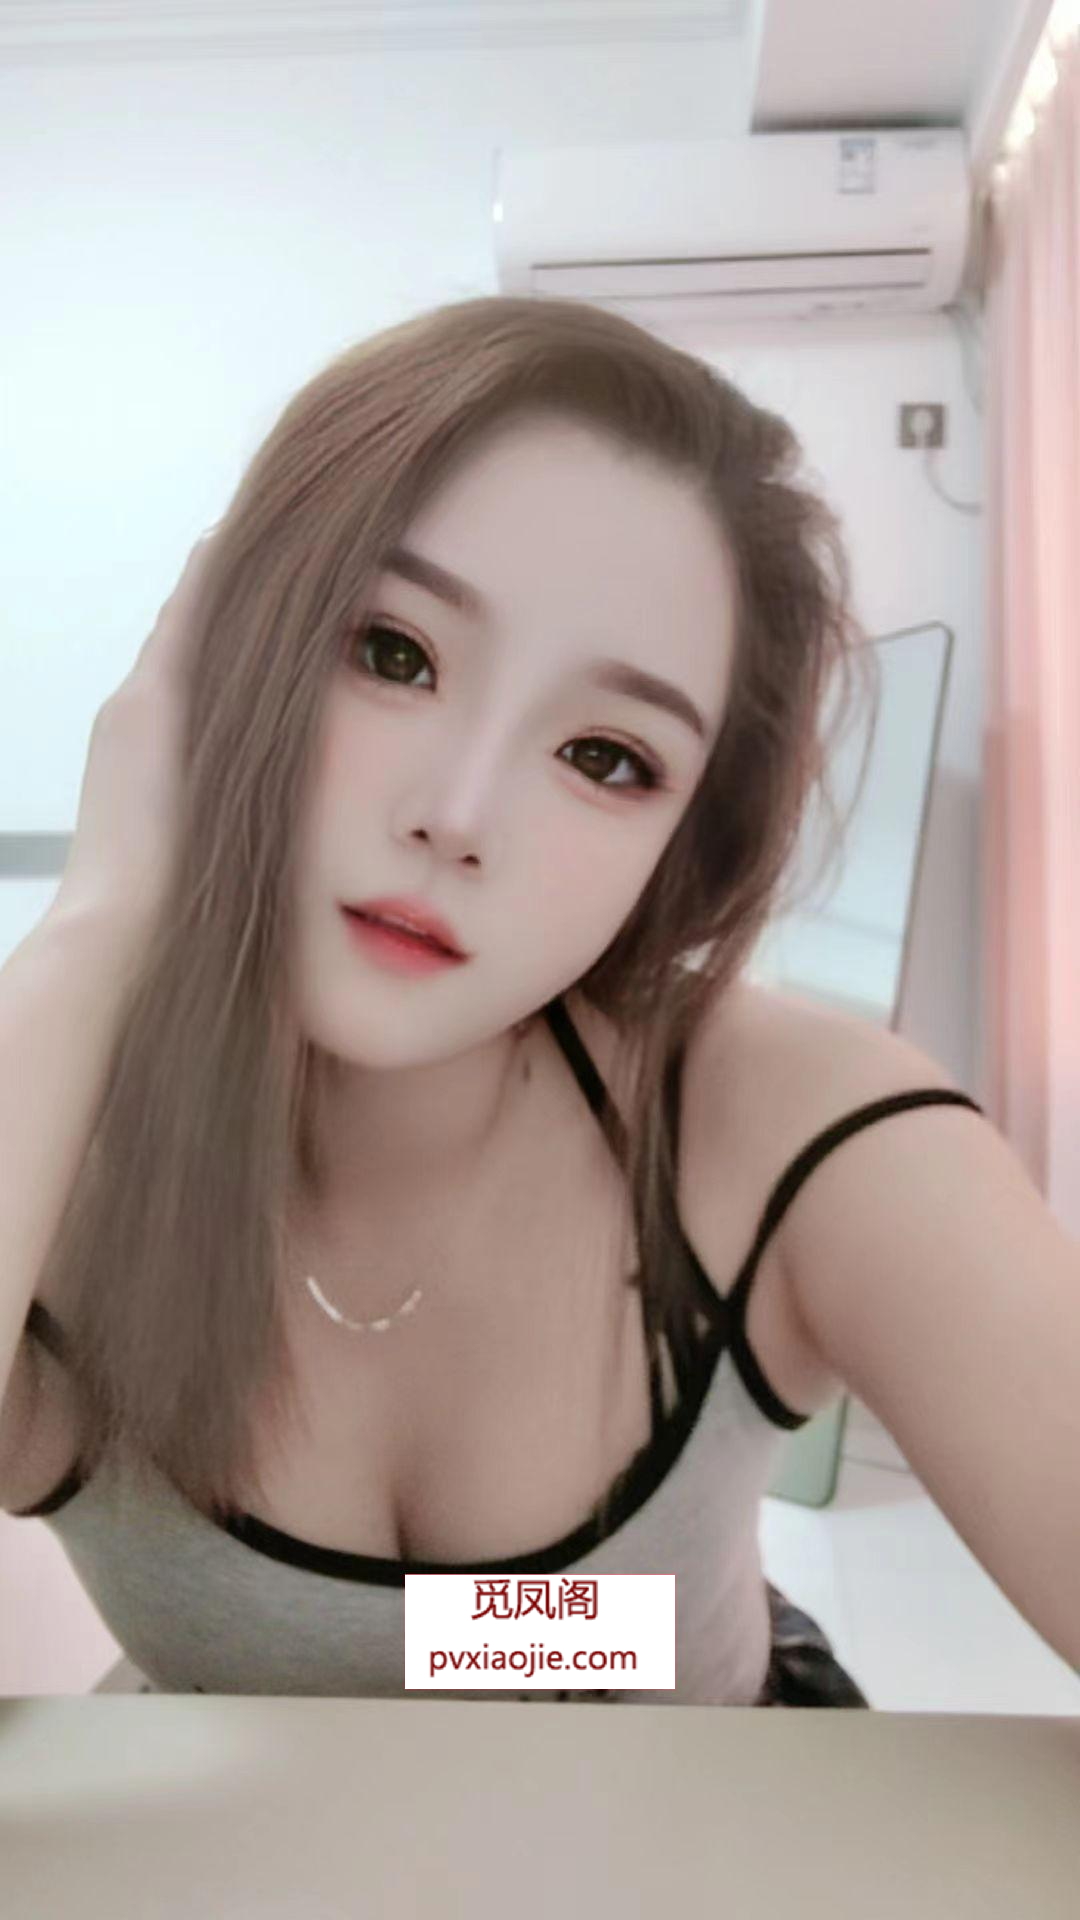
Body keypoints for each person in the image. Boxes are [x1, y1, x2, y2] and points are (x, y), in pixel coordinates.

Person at [0, 295, 996, 1704]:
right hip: (246, 1821)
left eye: (604, 757)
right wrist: (93, 925)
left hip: (707, 1808)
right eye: (392, 654)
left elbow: (491, 1645)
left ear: (683, 845)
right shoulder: (53, 1142)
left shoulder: (789, 1129)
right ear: (230, 648)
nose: (459, 817)